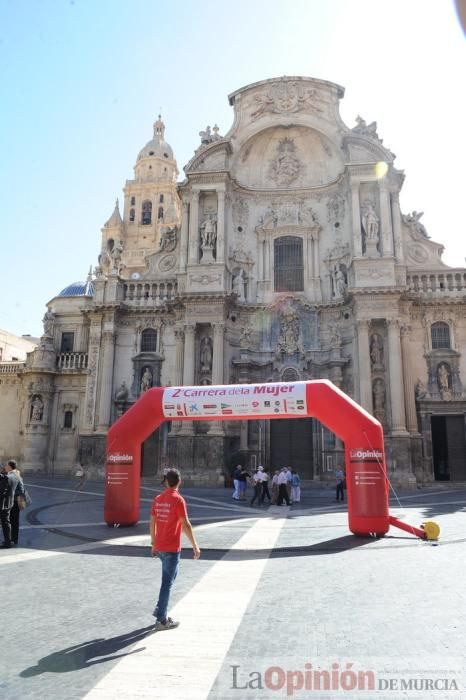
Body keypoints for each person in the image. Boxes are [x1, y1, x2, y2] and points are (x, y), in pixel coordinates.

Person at [150, 468, 200, 631]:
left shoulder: (158, 499)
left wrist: (153, 543)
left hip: (161, 547)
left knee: (169, 578)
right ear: (179, 481)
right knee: (167, 583)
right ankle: (162, 620)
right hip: (171, 548)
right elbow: (185, 524)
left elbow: (152, 522)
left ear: (166, 481)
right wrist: (195, 546)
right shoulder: (178, 500)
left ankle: (160, 609)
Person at [1, 460, 20, 548]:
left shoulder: (7, 477)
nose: (5, 467)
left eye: (6, 465)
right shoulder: (16, 476)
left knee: (5, 522)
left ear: (9, 466)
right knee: (6, 522)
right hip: (9, 502)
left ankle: (8, 542)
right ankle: (8, 542)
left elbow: (2, 491)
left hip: (2, 503)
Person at [10, 462, 25, 546]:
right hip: (11, 502)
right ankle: (10, 539)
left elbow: (21, 490)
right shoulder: (11, 476)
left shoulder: (17, 477)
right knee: (11, 521)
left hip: (16, 502)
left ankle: (14, 540)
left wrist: (12, 492)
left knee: (14, 522)